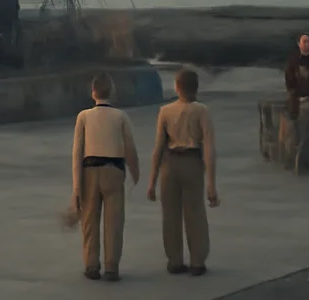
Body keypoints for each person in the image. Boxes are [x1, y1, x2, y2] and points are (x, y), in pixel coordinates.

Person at [147, 68, 218, 277]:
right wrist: (211, 183)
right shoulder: (202, 111)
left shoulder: (165, 111)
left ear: (177, 88)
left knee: (170, 215)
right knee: (195, 213)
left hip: (170, 164)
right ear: (196, 88)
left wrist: (152, 180)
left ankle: (175, 260)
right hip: (192, 163)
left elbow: (158, 147)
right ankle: (197, 261)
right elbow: (209, 147)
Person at [71, 72, 140, 282]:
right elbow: (129, 147)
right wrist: (135, 172)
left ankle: (91, 265)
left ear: (93, 93)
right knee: (114, 221)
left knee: (90, 221)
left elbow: (77, 152)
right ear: (112, 92)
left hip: (89, 170)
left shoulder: (83, 116)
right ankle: (112, 267)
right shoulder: (120, 116)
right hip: (114, 170)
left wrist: (76, 187)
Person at [284, 33, 309, 117]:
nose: (308, 44)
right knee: (292, 112)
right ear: (299, 44)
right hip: (296, 95)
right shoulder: (293, 61)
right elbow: (289, 80)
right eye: (305, 42)